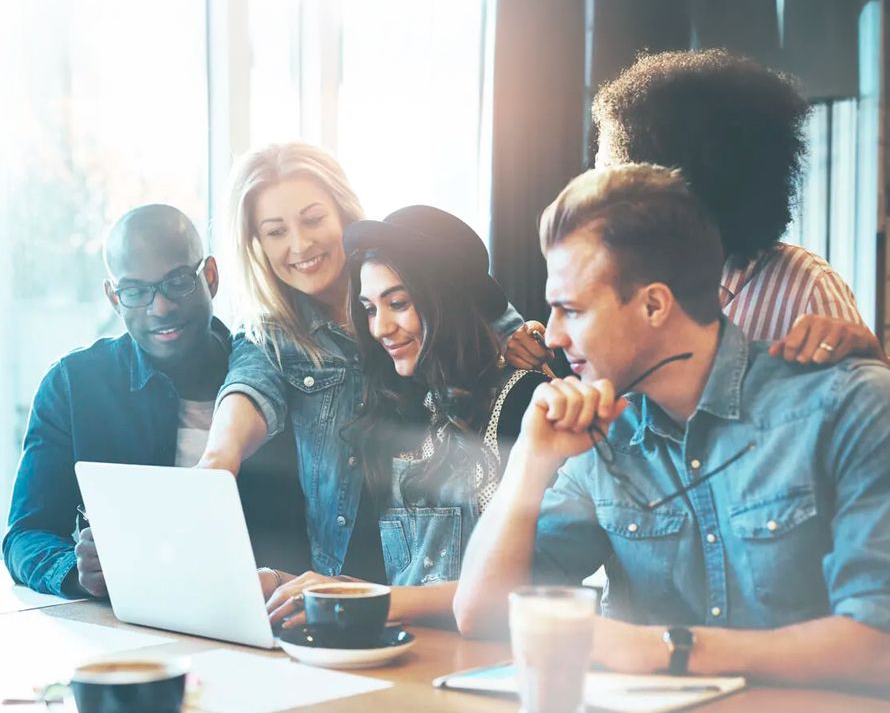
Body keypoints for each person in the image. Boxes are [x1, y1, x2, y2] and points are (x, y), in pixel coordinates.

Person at [454, 165, 890, 689]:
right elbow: (481, 616)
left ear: (654, 304)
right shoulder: (604, 433)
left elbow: (878, 645)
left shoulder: (850, 406)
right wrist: (529, 460)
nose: (551, 336)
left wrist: (668, 649)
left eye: (570, 310)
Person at [197, 143, 547, 617]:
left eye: (313, 219)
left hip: (436, 627)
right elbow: (245, 393)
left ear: (343, 214)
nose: (299, 245)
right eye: (275, 231)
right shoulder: (274, 338)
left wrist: (522, 344)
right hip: (366, 602)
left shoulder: (419, 270)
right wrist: (215, 468)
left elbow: (485, 316)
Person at [264, 207, 548, 627]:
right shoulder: (397, 411)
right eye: (370, 309)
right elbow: (387, 578)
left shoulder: (524, 403)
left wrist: (369, 599)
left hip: (487, 665)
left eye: (397, 303)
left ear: (447, 302)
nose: (380, 328)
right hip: (400, 655)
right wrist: (282, 583)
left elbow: (526, 583)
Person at [3, 205, 306, 598]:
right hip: (127, 626)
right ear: (114, 297)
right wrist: (78, 572)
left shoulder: (278, 378)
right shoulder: (73, 386)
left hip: (265, 617)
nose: (159, 307)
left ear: (210, 277)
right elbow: (24, 535)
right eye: (135, 292)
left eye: (178, 282)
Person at [591, 48, 884, 363]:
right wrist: (536, 365)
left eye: (608, 171)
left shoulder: (805, 288)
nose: (593, 189)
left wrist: (873, 365)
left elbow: (868, 404)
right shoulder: (615, 278)